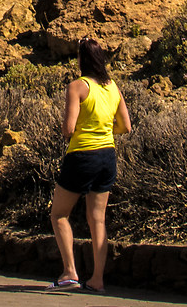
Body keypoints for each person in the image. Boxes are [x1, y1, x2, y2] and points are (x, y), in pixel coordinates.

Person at [48, 38, 129, 293]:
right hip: (108, 155)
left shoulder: (78, 87)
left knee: (59, 214)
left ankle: (70, 272)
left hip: (82, 155)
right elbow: (125, 126)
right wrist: (105, 130)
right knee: (98, 219)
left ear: (82, 59)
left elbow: (68, 129)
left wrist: (80, 130)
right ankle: (97, 279)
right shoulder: (113, 87)